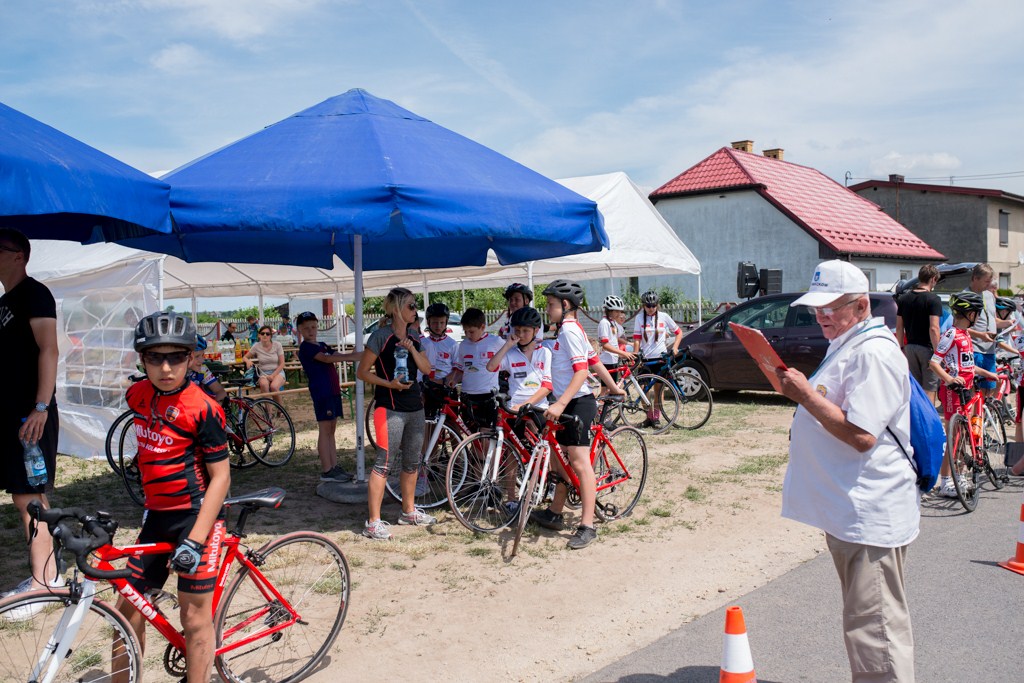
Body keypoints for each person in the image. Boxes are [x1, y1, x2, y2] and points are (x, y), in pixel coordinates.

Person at [775, 260, 918, 683]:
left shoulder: (873, 351)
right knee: (867, 623)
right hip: (851, 508)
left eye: (829, 309)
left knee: (876, 631)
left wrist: (804, 395)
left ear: (859, 306)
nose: (820, 317)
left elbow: (861, 435)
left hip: (869, 513)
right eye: (816, 309)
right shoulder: (851, 340)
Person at [117, 311, 231, 683]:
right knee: (126, 611)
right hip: (156, 517)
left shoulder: (203, 408)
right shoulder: (136, 394)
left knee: (194, 618)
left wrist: (196, 541)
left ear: (190, 357)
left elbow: (221, 477)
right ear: (142, 358)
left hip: (195, 518)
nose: (166, 368)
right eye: (155, 357)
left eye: (176, 357)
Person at [0, 228, 61, 599]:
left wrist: (41, 406)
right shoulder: (6, 301)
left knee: (30, 496)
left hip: (31, 415)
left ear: (19, 255)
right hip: (12, 414)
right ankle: (47, 574)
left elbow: (49, 351)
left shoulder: (35, 294)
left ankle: (45, 582)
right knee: (21, 494)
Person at [529, 279, 602, 550]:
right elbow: (594, 362)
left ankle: (587, 526)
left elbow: (583, 371)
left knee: (579, 462)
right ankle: (555, 512)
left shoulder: (570, 331)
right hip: (568, 401)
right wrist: (615, 387)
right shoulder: (570, 330)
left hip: (576, 403)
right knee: (561, 462)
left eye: (550, 305)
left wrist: (560, 404)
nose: (547, 309)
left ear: (566, 304)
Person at [356, 288, 434, 540]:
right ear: (397, 309)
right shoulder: (380, 336)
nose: (415, 310)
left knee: (413, 461)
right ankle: (373, 522)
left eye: (415, 306)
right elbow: (363, 372)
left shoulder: (415, 337)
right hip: (388, 407)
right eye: (411, 306)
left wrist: (411, 348)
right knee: (383, 464)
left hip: (415, 407)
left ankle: (408, 511)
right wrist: (389, 384)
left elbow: (427, 369)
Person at [929, 292, 997, 497]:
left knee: (962, 436)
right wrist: (949, 380)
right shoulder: (951, 334)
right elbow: (933, 363)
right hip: (953, 391)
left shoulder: (965, 334)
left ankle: (958, 477)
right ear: (970, 314)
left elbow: (967, 366)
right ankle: (945, 482)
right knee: (954, 438)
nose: (978, 317)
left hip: (965, 389)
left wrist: (987, 373)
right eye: (977, 313)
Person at [296, 311, 362, 482]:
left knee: (331, 430)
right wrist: (353, 356)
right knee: (325, 430)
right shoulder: (306, 348)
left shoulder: (322, 344)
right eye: (306, 328)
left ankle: (333, 466)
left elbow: (337, 356)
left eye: (313, 327)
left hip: (332, 391)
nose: (311, 331)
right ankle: (327, 470)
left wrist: (356, 353)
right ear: (300, 330)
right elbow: (327, 359)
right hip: (322, 392)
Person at [447, 307, 505, 431]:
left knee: (486, 436)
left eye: (471, 332)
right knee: (471, 435)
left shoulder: (496, 341)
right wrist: (454, 380)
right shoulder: (463, 345)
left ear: (482, 327)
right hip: (467, 395)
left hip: (487, 396)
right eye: (465, 331)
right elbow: (461, 369)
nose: (468, 335)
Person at [632, 290, 682, 428]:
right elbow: (636, 339)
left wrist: (676, 347)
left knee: (659, 390)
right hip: (646, 359)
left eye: (653, 306)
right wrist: (636, 356)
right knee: (643, 390)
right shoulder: (639, 318)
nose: (651, 309)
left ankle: (656, 417)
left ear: (657, 305)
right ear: (643, 306)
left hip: (660, 359)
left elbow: (678, 332)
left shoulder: (664, 316)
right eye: (648, 306)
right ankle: (649, 416)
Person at [894, 264, 942, 404]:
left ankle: (915, 420)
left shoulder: (903, 299)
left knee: (914, 388)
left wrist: (901, 347)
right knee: (929, 388)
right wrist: (939, 353)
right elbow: (934, 328)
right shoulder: (933, 300)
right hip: (927, 349)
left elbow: (899, 327)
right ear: (933, 279)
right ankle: (927, 423)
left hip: (910, 348)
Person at [420, 302, 459, 417]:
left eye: (442, 322)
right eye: (435, 322)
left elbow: (457, 369)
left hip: (446, 388)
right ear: (428, 322)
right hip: (428, 388)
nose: (438, 326)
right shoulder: (423, 343)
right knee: (429, 422)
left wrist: (444, 381)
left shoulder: (452, 344)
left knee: (452, 422)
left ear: (446, 322)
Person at [597, 294, 635, 373]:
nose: (619, 314)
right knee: (608, 385)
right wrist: (623, 353)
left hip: (613, 359)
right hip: (607, 360)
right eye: (616, 311)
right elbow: (605, 345)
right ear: (609, 311)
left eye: (620, 311)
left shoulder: (612, 322)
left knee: (613, 384)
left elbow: (615, 338)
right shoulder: (604, 323)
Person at [243, 325, 286, 393]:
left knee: (273, 387)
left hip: (277, 372)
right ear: (259, 335)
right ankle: (268, 404)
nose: (265, 335)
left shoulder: (277, 345)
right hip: (263, 373)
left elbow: (282, 363)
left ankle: (278, 404)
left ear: (271, 336)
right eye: (262, 333)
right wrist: (248, 361)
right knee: (264, 385)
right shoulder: (256, 346)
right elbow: (244, 357)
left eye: (267, 334)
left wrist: (273, 375)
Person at [188, 336, 228, 404]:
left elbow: (220, 391)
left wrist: (214, 409)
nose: (202, 360)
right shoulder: (175, 373)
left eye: (202, 355)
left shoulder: (202, 369)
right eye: (197, 356)